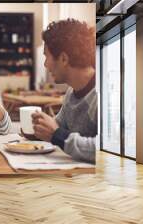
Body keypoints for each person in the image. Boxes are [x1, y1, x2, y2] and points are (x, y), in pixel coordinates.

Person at [31, 19, 97, 163]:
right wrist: (38, 129)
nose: (45, 64)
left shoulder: (103, 94)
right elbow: (58, 126)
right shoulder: (71, 91)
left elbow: (107, 149)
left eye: (46, 56)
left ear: (63, 58)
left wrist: (56, 135)